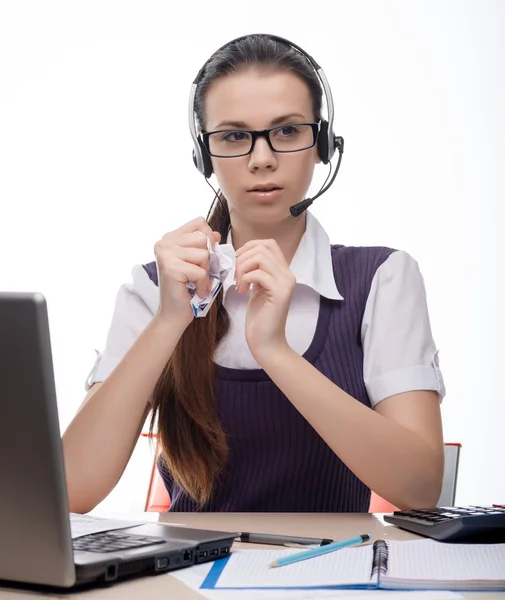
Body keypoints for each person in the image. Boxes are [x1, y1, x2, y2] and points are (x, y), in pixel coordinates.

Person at [62, 34, 446, 514]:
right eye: (234, 136)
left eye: (286, 131)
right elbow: (72, 490)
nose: (261, 158)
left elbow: (421, 486)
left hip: (327, 579)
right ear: (204, 156)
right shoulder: (156, 288)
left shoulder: (383, 279)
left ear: (322, 145)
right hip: (186, 586)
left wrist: (276, 352)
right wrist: (168, 322)